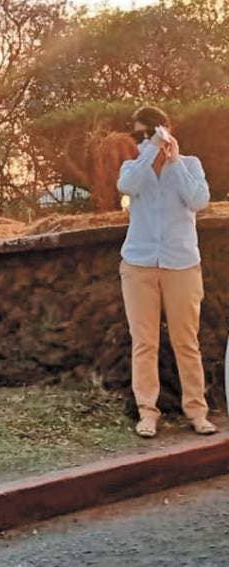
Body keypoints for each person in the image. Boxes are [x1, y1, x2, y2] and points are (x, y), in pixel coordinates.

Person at [117, 105, 215, 438]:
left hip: (181, 264)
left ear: (166, 129)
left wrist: (172, 159)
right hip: (139, 264)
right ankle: (147, 412)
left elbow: (198, 200)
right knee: (144, 343)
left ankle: (197, 411)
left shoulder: (189, 165)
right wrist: (149, 153)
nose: (146, 140)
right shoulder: (134, 167)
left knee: (186, 342)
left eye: (151, 132)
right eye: (139, 135)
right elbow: (126, 186)